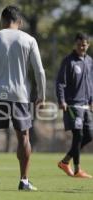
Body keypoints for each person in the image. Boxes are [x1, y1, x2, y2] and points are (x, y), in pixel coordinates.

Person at [0, 5, 46, 190]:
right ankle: (23, 180)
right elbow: (39, 70)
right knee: (24, 138)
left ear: (2, 20)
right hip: (20, 96)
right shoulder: (29, 39)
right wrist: (42, 95)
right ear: (20, 22)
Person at [56, 32, 93, 178]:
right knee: (78, 135)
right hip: (72, 105)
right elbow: (60, 82)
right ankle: (77, 170)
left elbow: (90, 83)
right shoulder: (68, 61)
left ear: (88, 45)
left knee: (89, 135)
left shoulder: (90, 61)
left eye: (84, 45)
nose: (81, 48)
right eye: (79, 45)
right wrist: (61, 100)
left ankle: (65, 162)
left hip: (86, 105)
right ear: (75, 45)